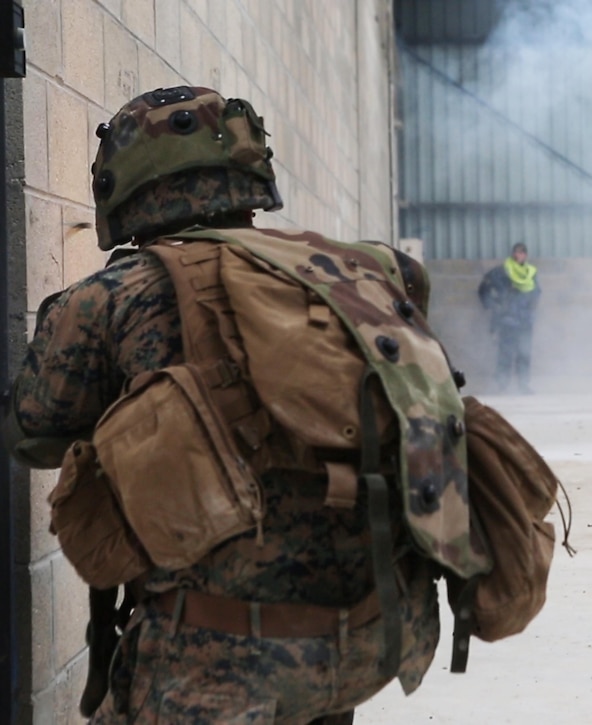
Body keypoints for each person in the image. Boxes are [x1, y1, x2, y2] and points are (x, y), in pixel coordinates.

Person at [2, 86, 485, 724]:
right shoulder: (362, 272)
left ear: (127, 184)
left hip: (217, 662)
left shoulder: (106, 298)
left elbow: (30, 435)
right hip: (382, 631)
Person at [478, 242, 542, 394]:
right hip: (507, 320)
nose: (517, 255)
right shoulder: (501, 271)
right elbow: (483, 289)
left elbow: (537, 293)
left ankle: (523, 385)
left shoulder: (531, 273)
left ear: (525, 255)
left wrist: (531, 310)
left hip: (525, 321)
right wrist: (493, 305)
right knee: (505, 353)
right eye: (515, 252)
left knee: (524, 353)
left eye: (520, 253)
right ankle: (502, 385)